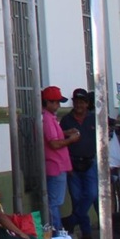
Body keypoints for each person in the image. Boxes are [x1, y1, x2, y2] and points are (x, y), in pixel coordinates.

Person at [61, 89, 98, 239]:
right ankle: (86, 231)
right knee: (76, 197)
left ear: (87, 104)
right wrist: (67, 164)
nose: (79, 105)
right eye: (76, 102)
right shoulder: (66, 120)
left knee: (92, 193)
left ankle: (74, 218)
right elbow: (61, 143)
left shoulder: (93, 119)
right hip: (72, 162)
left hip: (90, 161)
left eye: (82, 102)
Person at [42, 86, 78, 230]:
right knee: (54, 203)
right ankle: (57, 231)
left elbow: (55, 137)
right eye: (56, 102)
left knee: (55, 202)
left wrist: (66, 133)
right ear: (48, 102)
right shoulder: (47, 119)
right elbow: (54, 143)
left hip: (58, 165)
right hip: (55, 166)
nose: (58, 105)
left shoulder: (50, 118)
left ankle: (57, 230)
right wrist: (71, 140)